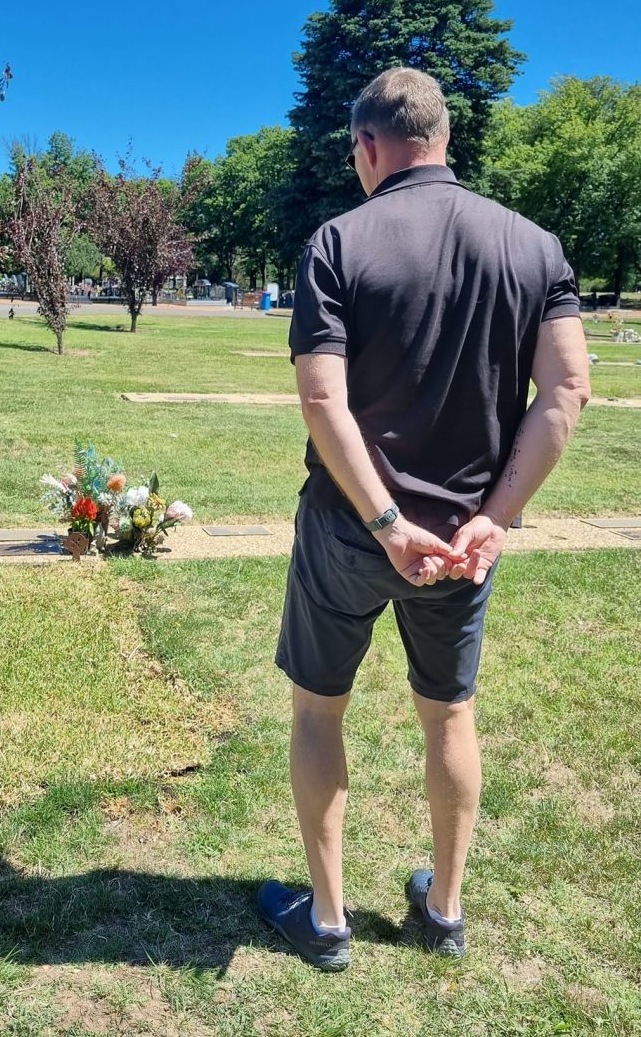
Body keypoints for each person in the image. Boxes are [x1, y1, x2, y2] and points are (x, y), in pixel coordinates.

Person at [258, 67, 590, 972]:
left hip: (348, 528)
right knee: (449, 718)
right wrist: (495, 519)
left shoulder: (336, 241)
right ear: (443, 138)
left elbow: (323, 404)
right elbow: (567, 391)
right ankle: (441, 910)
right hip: (463, 538)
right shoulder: (534, 246)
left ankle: (326, 922)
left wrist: (384, 522)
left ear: (368, 146)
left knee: (318, 713)